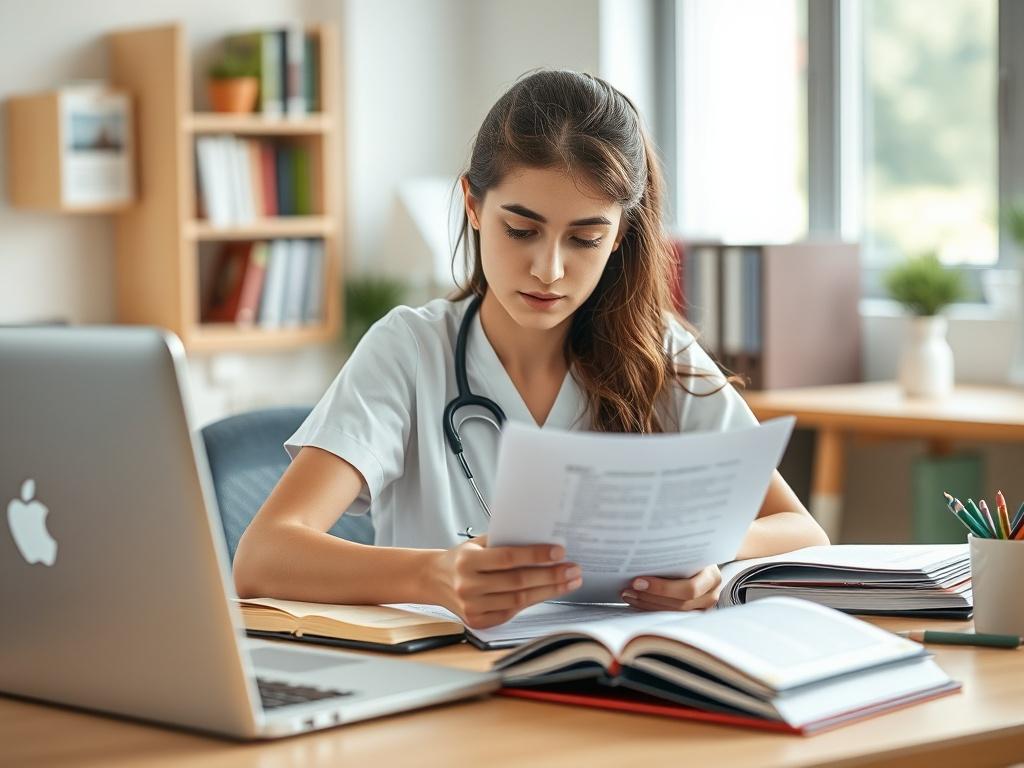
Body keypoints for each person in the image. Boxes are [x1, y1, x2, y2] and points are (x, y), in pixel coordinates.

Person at [233, 70, 829, 629]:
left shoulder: (661, 356)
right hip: (446, 683)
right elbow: (263, 556)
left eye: (585, 239)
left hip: (616, 680)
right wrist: (432, 575)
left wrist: (711, 556)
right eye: (521, 230)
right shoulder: (409, 350)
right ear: (473, 205)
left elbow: (802, 531)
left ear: (619, 236)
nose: (549, 269)